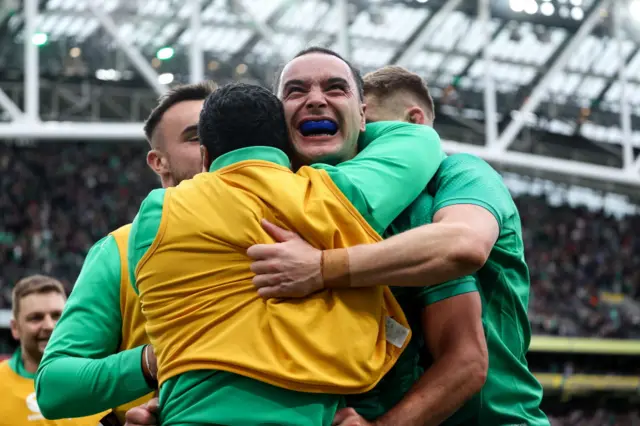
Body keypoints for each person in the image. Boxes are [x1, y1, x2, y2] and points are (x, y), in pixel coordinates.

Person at [128, 81, 444, 426]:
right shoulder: (327, 198)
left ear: (205, 157)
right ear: (286, 149)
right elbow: (420, 140)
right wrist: (354, 124)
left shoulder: (155, 214)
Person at [248, 65, 549, 425]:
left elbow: (463, 245)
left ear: (414, 125)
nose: (361, 148)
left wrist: (321, 267)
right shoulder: (334, 204)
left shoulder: (462, 174)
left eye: (373, 132)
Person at [34, 82, 216, 424]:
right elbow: (55, 387)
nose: (214, 146)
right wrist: (154, 361)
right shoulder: (118, 251)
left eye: (221, 133)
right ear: (158, 161)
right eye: (196, 137)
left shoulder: (284, 234)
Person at [0, 274, 107, 425]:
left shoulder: (99, 379)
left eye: (57, 316)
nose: (49, 325)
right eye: (36, 318)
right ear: (15, 328)